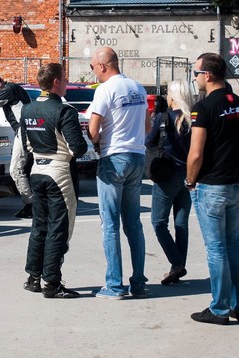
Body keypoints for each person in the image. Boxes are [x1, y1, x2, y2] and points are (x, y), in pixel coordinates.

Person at [187, 52, 239, 325]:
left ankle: (219, 308)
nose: (195, 78)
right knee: (234, 244)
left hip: (212, 185)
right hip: (235, 181)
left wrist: (190, 181)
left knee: (216, 248)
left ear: (208, 75)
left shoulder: (204, 107)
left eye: (196, 73)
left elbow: (196, 154)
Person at [87, 47, 150, 300]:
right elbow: (146, 125)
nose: (92, 72)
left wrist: (97, 146)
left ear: (103, 66)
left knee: (110, 224)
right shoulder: (138, 87)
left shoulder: (105, 89)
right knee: (133, 222)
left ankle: (114, 285)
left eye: (93, 67)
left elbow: (93, 129)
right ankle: (138, 282)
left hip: (113, 158)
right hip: (137, 156)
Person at [19, 63, 87, 298]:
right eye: (65, 79)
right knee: (59, 228)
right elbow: (78, 148)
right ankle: (52, 282)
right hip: (59, 172)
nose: (67, 83)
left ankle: (33, 277)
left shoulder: (27, 110)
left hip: (37, 169)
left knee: (39, 226)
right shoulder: (64, 111)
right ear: (56, 82)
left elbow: (26, 144)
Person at [147, 80, 193, 286]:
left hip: (167, 175)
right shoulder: (193, 119)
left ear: (173, 96)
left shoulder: (162, 118)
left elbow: (149, 141)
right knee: (181, 224)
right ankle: (179, 265)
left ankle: (176, 264)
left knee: (158, 223)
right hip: (188, 175)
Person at [0, 73, 33, 218]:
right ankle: (35, 203)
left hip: (23, 131)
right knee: (30, 169)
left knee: (16, 169)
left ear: (2, 81)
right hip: (27, 130)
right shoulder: (12, 88)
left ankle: (31, 204)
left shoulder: (8, 89)